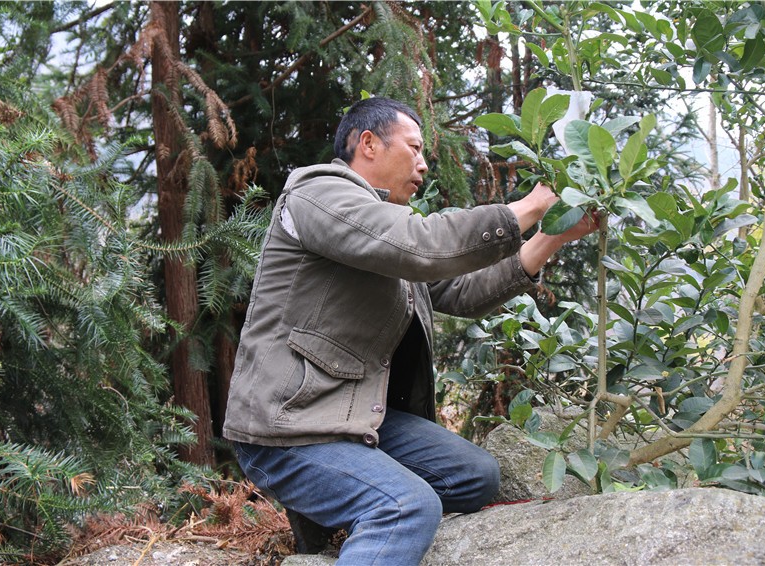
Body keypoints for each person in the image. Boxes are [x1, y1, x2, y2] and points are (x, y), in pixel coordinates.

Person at [223, 97, 597, 565]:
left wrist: (552, 234)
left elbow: (463, 293)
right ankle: (363, 506)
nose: (422, 164)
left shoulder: (386, 232)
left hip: (353, 414)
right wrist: (533, 205)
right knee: (406, 507)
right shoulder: (318, 194)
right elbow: (420, 245)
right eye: (414, 148)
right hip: (290, 423)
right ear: (368, 144)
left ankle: (341, 503)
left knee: (475, 476)